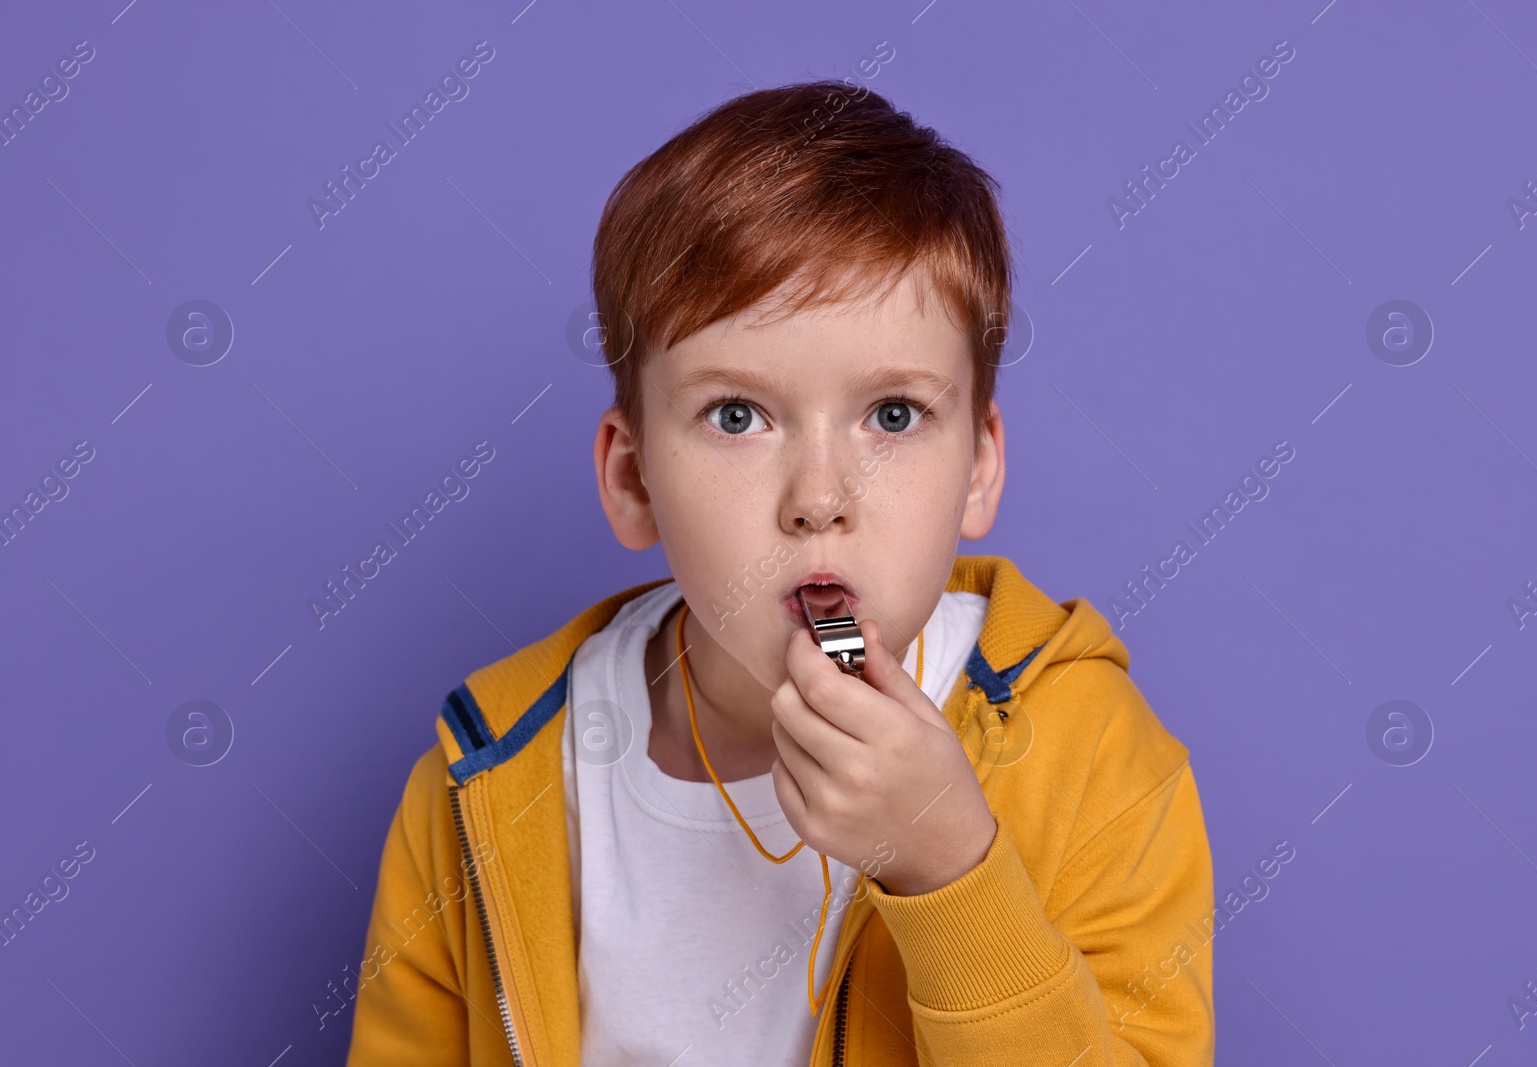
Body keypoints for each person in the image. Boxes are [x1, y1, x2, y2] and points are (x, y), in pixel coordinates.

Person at [346, 79, 1214, 1067]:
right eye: (736, 416)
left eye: (891, 415)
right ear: (632, 478)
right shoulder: (487, 777)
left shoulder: (1090, 754)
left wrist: (948, 873)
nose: (816, 496)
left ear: (978, 467)